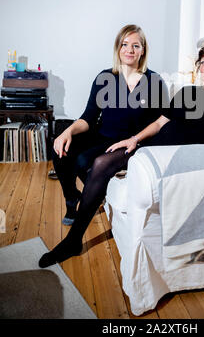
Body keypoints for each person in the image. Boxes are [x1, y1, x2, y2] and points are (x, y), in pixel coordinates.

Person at [39, 24, 168, 268]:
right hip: (102, 135)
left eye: (135, 45)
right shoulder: (105, 78)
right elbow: (88, 117)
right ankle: (72, 199)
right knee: (61, 144)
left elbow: (161, 122)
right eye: (124, 44)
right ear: (118, 48)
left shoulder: (155, 81)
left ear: (143, 51)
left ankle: (74, 240)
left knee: (93, 162)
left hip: (132, 142)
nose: (129, 49)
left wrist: (136, 139)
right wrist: (67, 131)